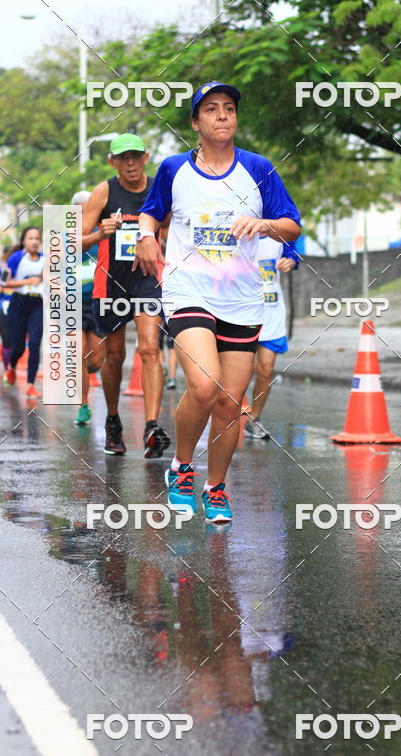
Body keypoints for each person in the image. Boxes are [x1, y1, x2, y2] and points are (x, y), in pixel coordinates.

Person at [134, 81, 301, 523]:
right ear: (196, 122)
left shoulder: (259, 169)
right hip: (189, 290)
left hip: (242, 298)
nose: (222, 115)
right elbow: (151, 210)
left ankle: (216, 488)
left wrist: (264, 224)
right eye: (211, 109)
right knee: (205, 386)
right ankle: (182, 467)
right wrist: (145, 236)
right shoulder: (174, 169)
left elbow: (292, 227)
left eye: (229, 108)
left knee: (230, 401)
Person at [81, 133, 169, 457]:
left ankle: (151, 426)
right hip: (110, 283)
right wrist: (98, 233)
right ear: (112, 162)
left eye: (135, 157)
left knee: (149, 350)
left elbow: (172, 228)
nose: (129, 164)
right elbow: (75, 241)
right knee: (113, 357)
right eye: (122, 158)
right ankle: (113, 420)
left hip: (146, 280)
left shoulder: (158, 189)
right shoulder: (104, 191)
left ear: (146, 157)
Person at [244, 237, 300, 439]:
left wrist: (291, 261)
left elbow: (292, 251)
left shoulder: (279, 228)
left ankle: (254, 419)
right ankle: (226, 416)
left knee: (266, 369)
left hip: (271, 310)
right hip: (240, 308)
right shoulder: (236, 225)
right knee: (239, 370)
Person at [71, 190, 106, 425]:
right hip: (72, 302)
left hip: (97, 300)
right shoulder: (65, 233)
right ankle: (83, 404)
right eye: (82, 210)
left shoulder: (104, 232)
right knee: (79, 352)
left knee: (95, 361)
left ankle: (85, 374)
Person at [4, 227, 45, 398]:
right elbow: (4, 282)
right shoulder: (15, 258)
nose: (34, 241)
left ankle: (30, 385)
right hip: (18, 304)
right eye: (30, 238)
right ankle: (12, 367)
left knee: (35, 344)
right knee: (19, 347)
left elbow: (51, 278)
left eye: (37, 238)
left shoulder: (46, 259)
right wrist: (27, 281)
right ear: (24, 241)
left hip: (37, 304)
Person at [0, 245, 18, 376]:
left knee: (17, 341)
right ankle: (8, 370)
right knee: (7, 341)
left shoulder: (23, 269)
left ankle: (12, 367)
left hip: (18, 306)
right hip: (2, 307)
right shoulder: (2, 271)